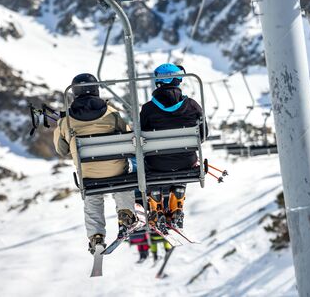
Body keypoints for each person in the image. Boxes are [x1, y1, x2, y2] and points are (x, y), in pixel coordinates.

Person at [53, 73, 138, 254]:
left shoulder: (65, 121)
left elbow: (61, 150)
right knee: (122, 179)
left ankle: (96, 235)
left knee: (93, 197)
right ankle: (126, 213)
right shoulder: (112, 114)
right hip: (116, 171)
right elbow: (129, 137)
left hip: (88, 175)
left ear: (74, 93)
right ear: (97, 89)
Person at [140, 63, 207, 232]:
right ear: (177, 80)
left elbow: (142, 137)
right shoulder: (192, 105)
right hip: (186, 161)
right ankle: (176, 207)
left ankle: (156, 207)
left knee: (152, 165)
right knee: (181, 160)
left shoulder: (148, 109)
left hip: (156, 164)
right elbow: (203, 134)